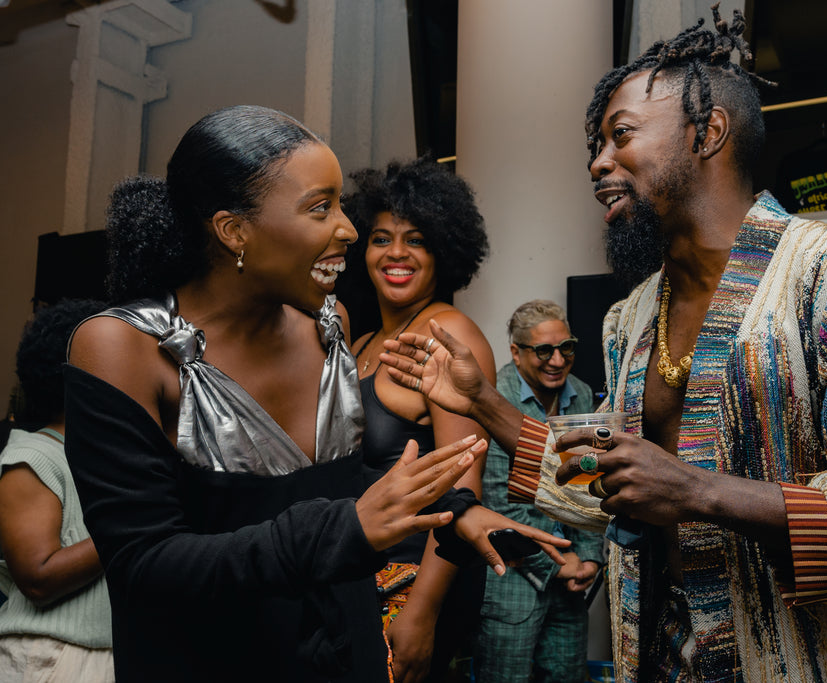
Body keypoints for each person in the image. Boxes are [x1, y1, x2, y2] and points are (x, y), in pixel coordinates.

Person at [377, 6, 827, 682]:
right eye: (594, 146)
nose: (598, 164)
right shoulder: (632, 319)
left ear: (708, 132)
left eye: (620, 135)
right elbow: (621, 486)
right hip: (669, 655)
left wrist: (705, 492)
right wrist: (484, 403)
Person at [63, 105, 569, 683]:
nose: (349, 231)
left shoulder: (328, 324)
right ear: (234, 230)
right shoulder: (119, 346)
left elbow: (336, 488)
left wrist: (456, 513)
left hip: (340, 655)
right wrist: (346, 530)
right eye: (319, 208)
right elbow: (144, 564)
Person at [343, 157, 496, 682]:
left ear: (444, 251)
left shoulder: (449, 333)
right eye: (381, 238)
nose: (397, 254)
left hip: (413, 584)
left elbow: (464, 489)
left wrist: (422, 614)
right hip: (357, 577)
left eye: (416, 239)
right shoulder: (360, 343)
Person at [474, 300, 605, 683]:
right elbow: (499, 501)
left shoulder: (581, 394)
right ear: (515, 352)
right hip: (511, 580)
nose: (557, 360)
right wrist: (560, 563)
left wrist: (591, 559)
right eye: (543, 350)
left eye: (566, 348)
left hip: (574, 573)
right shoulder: (494, 395)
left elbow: (590, 489)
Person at [0, 299, 111, 682]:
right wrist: (130, 526)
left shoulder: (109, 461)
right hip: (49, 656)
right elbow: (38, 576)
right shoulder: (33, 457)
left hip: (112, 654)